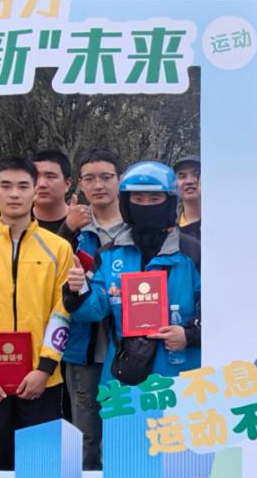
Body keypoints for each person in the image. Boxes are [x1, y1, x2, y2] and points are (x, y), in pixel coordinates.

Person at [0, 157, 73, 470]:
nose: (14, 194)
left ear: (35, 191)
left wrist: (44, 368)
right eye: (6, 186)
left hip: (42, 382)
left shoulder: (58, 249)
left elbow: (62, 310)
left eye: (23, 186)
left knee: (40, 470)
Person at [63, 161, 201, 391]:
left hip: (182, 378)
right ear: (127, 203)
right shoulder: (109, 255)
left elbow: (217, 310)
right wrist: (77, 289)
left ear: (169, 201)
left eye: (154, 199)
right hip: (125, 379)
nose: (146, 205)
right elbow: (93, 310)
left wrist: (191, 334)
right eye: (138, 199)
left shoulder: (193, 253)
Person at [60, 149, 129, 470]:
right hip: (83, 349)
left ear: (120, 180)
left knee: (123, 432)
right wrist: (66, 230)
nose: (98, 185)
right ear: (80, 184)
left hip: (129, 352)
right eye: (90, 178)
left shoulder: (137, 227)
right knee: (85, 436)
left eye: (106, 177)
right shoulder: (76, 230)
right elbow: (50, 268)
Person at [32, 149, 74, 236]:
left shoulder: (85, 225)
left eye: (50, 177)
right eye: (35, 176)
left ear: (67, 184)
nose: (41, 184)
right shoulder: (15, 224)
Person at [174, 155, 201, 241]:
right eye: (182, 176)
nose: (189, 181)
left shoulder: (220, 221)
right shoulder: (170, 227)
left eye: (195, 174)